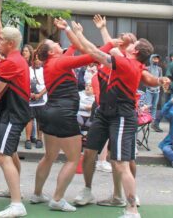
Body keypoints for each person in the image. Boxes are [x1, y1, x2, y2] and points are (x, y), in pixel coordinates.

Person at [71, 20, 158, 218]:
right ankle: (88, 190)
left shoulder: (129, 64)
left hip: (121, 114)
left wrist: (76, 32)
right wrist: (102, 29)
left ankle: (131, 208)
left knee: (121, 162)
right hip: (104, 111)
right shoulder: (124, 58)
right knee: (90, 151)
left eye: (132, 43)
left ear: (134, 51)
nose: (127, 41)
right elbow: (109, 45)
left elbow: (92, 50)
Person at [30, 18, 114, 213]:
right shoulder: (60, 61)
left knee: (49, 156)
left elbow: (75, 46)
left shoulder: (53, 61)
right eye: (56, 44)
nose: (60, 45)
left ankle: (37, 193)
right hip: (64, 113)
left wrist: (70, 30)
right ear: (51, 52)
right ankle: (57, 199)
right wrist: (111, 44)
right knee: (72, 159)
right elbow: (93, 56)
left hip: (49, 112)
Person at [0, 27, 30, 218]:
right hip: (13, 111)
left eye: (1, 39)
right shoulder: (14, 60)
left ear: (10, 44)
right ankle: (14, 191)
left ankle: (17, 203)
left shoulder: (11, 62)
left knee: (2, 155)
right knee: (11, 154)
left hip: (13, 113)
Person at [26, 53, 47, 149]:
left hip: (41, 99)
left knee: (40, 120)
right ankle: (28, 139)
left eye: (39, 59)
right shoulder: (28, 70)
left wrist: (40, 94)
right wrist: (29, 94)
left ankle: (39, 139)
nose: (38, 61)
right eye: (36, 59)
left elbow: (48, 84)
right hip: (30, 98)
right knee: (29, 119)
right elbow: (24, 82)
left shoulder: (45, 70)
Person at [146, 54, 163, 132]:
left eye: (157, 59)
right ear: (151, 59)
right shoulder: (148, 68)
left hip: (157, 90)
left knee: (155, 106)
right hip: (149, 90)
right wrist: (148, 85)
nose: (156, 60)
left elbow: (161, 78)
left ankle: (153, 121)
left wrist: (159, 85)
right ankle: (146, 120)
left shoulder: (159, 69)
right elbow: (145, 78)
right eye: (154, 59)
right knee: (148, 105)